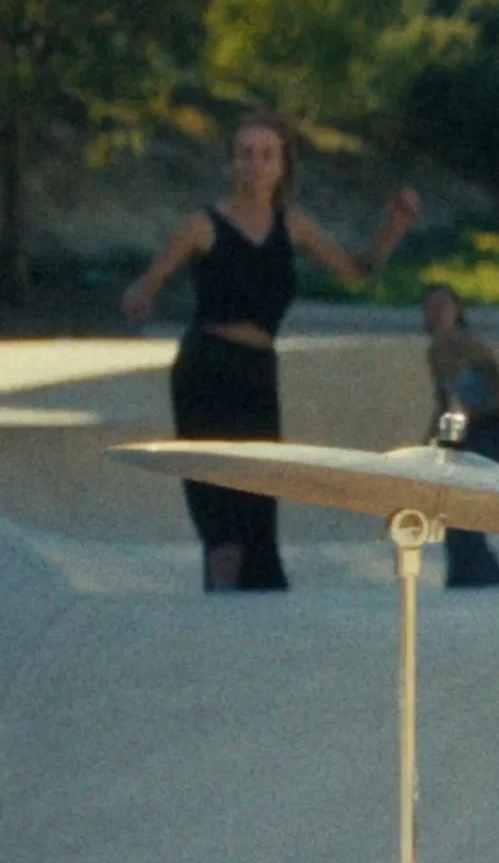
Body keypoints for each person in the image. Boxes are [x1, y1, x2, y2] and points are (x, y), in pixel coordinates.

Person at [121, 113, 421, 591]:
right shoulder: (203, 226)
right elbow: (153, 278)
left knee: (259, 501)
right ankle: (218, 608)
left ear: (282, 166)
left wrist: (394, 229)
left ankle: (255, 616)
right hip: (206, 370)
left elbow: (357, 270)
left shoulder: (294, 226)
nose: (255, 165)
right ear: (231, 163)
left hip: (258, 373)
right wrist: (141, 293)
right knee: (218, 501)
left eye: (266, 155)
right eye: (245, 154)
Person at [420, 283, 499, 588]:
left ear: (457, 311)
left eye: (443, 306)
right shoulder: (435, 352)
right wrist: (428, 443)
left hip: (487, 429)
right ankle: (462, 577)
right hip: (459, 430)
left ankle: (488, 579)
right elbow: (443, 401)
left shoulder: (474, 347)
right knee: (449, 508)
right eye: (431, 307)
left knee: (467, 509)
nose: (437, 314)